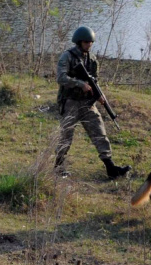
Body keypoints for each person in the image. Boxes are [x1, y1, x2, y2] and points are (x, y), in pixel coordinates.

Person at [54, 26, 131, 179]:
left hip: (87, 103)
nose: (89, 44)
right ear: (79, 42)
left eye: (91, 42)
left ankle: (110, 168)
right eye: (86, 42)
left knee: (99, 132)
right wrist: (79, 84)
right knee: (66, 136)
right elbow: (60, 78)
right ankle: (58, 167)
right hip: (70, 102)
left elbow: (94, 81)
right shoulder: (67, 57)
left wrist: (99, 95)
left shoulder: (92, 59)